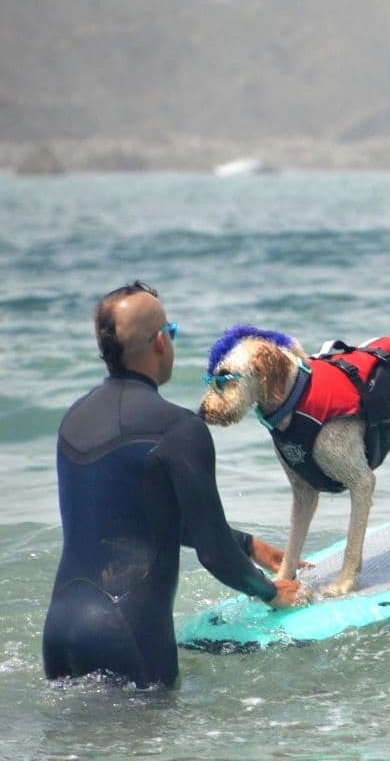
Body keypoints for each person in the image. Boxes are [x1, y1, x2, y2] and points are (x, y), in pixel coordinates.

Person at [42, 281, 307, 688]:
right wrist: (271, 593)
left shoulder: (73, 419)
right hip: (129, 637)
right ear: (161, 343)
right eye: (172, 331)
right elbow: (213, 552)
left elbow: (133, 518)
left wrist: (249, 545)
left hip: (60, 632)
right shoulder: (180, 429)